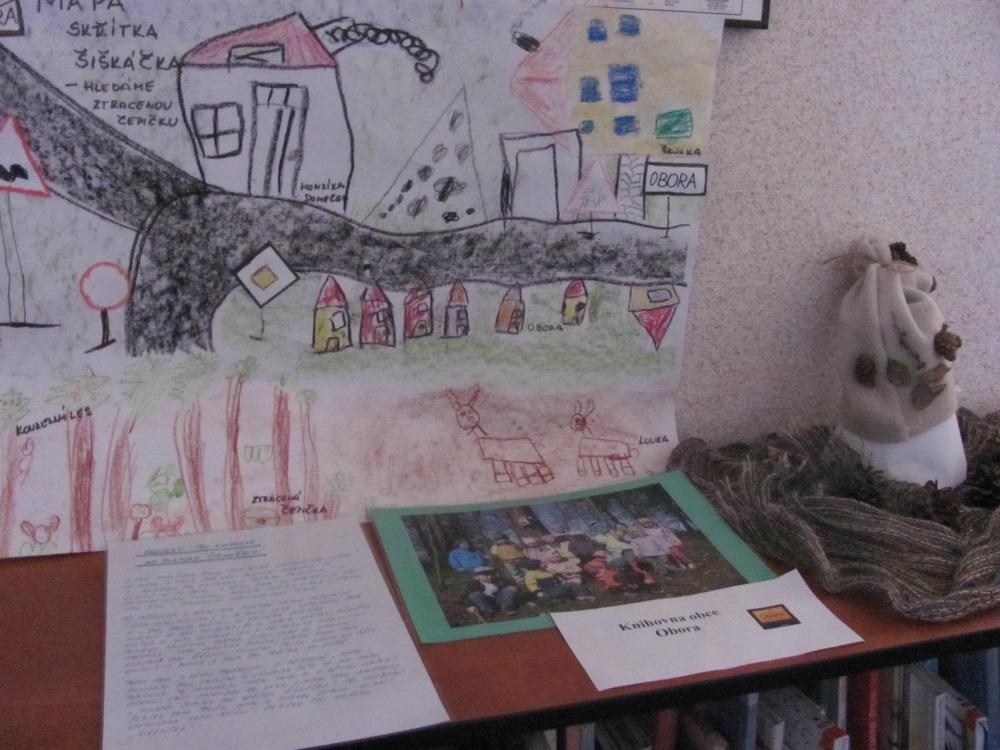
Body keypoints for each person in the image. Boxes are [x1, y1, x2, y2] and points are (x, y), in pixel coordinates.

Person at [520, 558, 591, 601]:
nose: (545, 563)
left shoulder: (546, 570)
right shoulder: (530, 574)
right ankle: (563, 598)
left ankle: (582, 596)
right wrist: (538, 592)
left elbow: (556, 576)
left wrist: (563, 576)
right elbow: (531, 584)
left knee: (573, 584)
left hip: (558, 586)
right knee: (561, 592)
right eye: (542, 563)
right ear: (535, 565)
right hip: (547, 590)